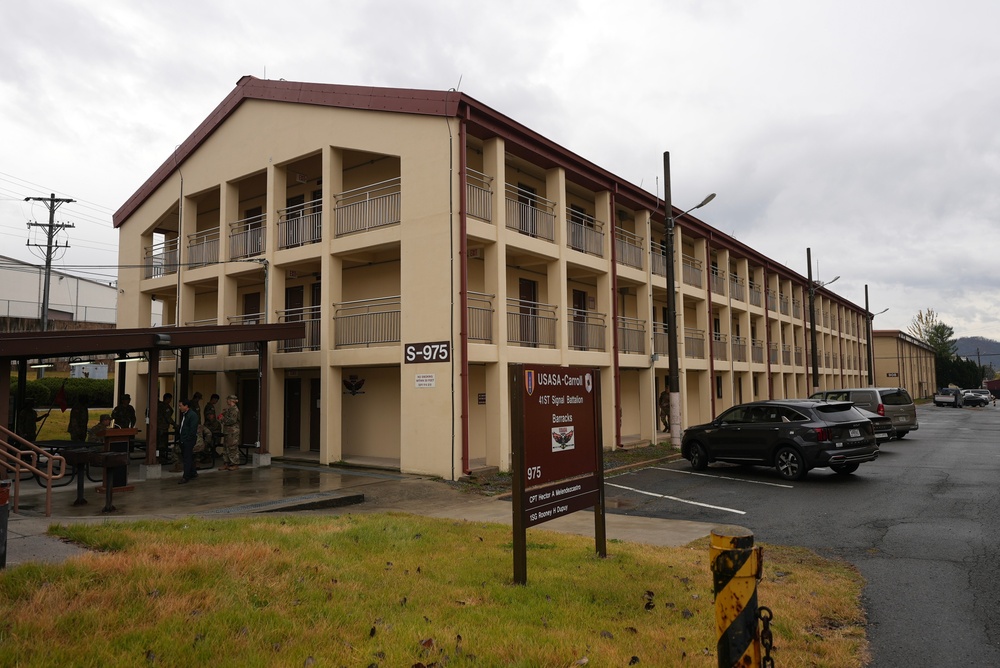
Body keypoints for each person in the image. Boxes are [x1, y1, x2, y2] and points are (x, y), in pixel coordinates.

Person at [176, 398, 200, 484]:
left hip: (188, 440)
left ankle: (186, 476)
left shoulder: (192, 415)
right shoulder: (185, 414)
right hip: (184, 439)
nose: (179, 407)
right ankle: (193, 472)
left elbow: (192, 430)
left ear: (186, 406)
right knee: (188, 457)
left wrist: (187, 439)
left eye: (180, 406)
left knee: (187, 458)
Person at [219, 394, 241, 471]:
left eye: (228, 399)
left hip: (233, 432)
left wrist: (222, 419)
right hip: (227, 431)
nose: (227, 401)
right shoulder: (230, 409)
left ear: (231, 400)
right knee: (225, 447)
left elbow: (232, 420)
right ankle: (226, 463)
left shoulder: (235, 409)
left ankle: (235, 463)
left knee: (232, 447)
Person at [156, 393, 177, 465]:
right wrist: (175, 425)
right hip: (162, 427)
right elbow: (168, 417)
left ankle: (160, 457)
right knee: (161, 444)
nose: (170, 401)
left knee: (162, 443)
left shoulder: (162, 406)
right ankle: (160, 458)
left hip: (162, 427)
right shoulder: (163, 406)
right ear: (167, 398)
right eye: (170, 399)